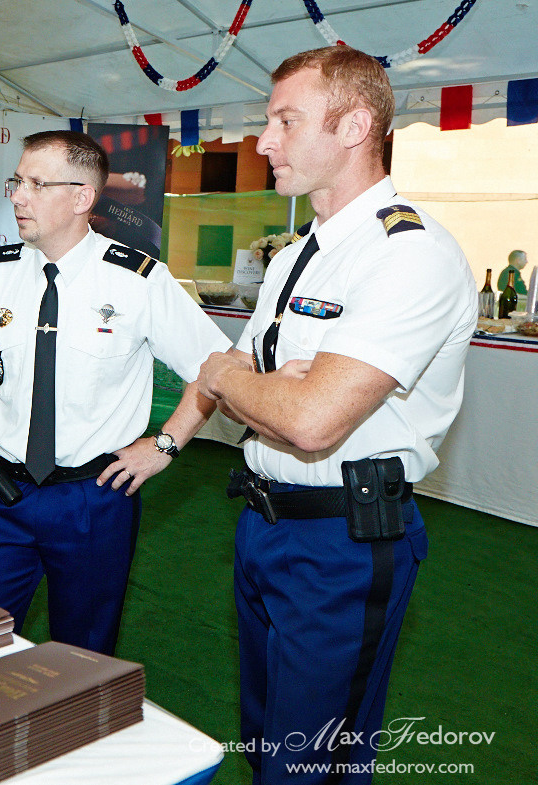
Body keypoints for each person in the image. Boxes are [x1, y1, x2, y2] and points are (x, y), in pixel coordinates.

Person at [196, 46, 477, 784]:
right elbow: (259, 395)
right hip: (264, 523)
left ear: (356, 125)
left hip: (341, 542)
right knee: (266, 741)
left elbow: (311, 419)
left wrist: (234, 376)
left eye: (286, 120)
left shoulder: (408, 255)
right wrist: (257, 388)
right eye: (267, 120)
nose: (263, 141)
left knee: (309, 764)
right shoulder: (296, 257)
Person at [0, 130, 230, 655]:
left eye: (36, 183)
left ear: (82, 197)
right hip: (3, 492)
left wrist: (165, 444)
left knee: (84, 653)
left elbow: (215, 367)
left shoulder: (137, 280)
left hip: (93, 497)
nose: (17, 196)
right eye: (16, 181)